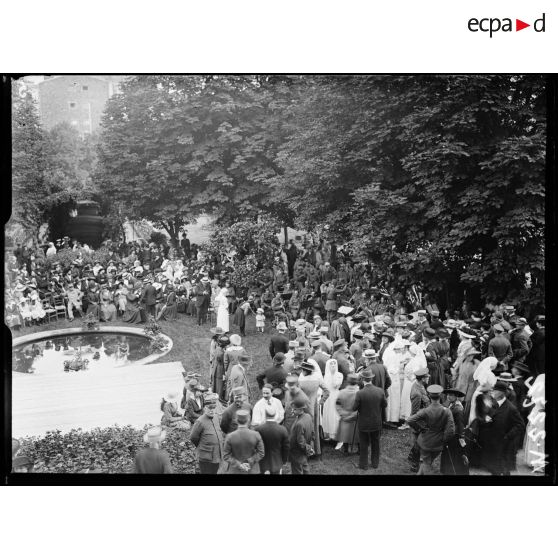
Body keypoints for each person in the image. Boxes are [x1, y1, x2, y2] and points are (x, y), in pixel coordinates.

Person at [407, 385, 455, 475]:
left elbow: (410, 420)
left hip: (425, 442)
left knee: (426, 463)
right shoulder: (447, 411)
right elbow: (451, 431)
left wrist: (420, 428)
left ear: (429, 396)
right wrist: (443, 439)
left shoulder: (426, 411)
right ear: (440, 395)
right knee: (427, 462)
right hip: (438, 443)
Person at [481, 380, 525, 475]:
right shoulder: (493, 404)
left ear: (503, 393)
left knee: (504, 470)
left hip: (505, 446)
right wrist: (486, 420)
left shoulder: (511, 408)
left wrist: (508, 436)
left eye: (496, 391)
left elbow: (520, 425)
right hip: (492, 443)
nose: (493, 392)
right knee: (494, 469)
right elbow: (487, 419)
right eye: (493, 390)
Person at [353, 368, 387, 470]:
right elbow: (385, 405)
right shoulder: (380, 391)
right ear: (371, 378)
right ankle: (375, 464)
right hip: (376, 422)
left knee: (364, 444)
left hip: (364, 423)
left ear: (363, 379)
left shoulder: (360, 393)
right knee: (375, 443)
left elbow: (354, 408)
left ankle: (363, 465)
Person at [189, 393, 225, 474]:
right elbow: (193, 438)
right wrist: (203, 446)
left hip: (217, 455)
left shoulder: (216, 418)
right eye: (209, 408)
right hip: (206, 458)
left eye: (213, 408)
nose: (212, 410)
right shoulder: (200, 421)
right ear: (204, 408)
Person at [223, 409, 265, 474]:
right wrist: (249, 461)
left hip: (235, 471)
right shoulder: (256, 435)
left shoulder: (230, 436)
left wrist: (239, 464)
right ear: (248, 420)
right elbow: (261, 453)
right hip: (252, 470)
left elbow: (226, 456)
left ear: (236, 420)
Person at [440, 388, 469, 475]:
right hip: (449, 432)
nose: (449, 396)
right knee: (447, 454)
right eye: (448, 395)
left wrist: (461, 438)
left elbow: (460, 425)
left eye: (451, 395)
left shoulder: (458, 409)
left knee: (454, 455)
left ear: (456, 397)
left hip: (454, 436)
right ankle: (446, 471)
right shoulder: (451, 405)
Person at [254, 406, 290, 474]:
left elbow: (255, 447)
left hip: (262, 463)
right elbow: (286, 448)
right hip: (277, 462)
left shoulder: (258, 429)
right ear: (275, 414)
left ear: (265, 414)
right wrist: (284, 460)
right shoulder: (282, 429)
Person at [335, 373, 360, 453]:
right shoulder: (359, 393)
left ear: (347, 381)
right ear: (357, 382)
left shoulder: (341, 392)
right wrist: (354, 415)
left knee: (345, 433)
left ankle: (345, 449)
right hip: (356, 418)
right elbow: (361, 407)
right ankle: (359, 449)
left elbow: (338, 405)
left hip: (344, 418)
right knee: (357, 434)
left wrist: (344, 415)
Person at [289, 399, 314, 474]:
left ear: (301, 409)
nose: (292, 411)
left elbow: (300, 441)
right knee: (305, 467)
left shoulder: (299, 424)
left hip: (297, 451)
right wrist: (310, 447)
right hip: (304, 450)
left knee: (297, 470)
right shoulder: (308, 416)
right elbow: (313, 432)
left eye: (294, 409)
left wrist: (308, 449)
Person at [321, 359, 344, 441]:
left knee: (335, 414)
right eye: (331, 363)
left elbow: (335, 385)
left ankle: (336, 434)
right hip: (328, 397)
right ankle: (329, 433)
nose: (333, 365)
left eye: (334, 363)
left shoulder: (339, 375)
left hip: (335, 396)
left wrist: (333, 374)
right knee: (328, 413)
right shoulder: (326, 376)